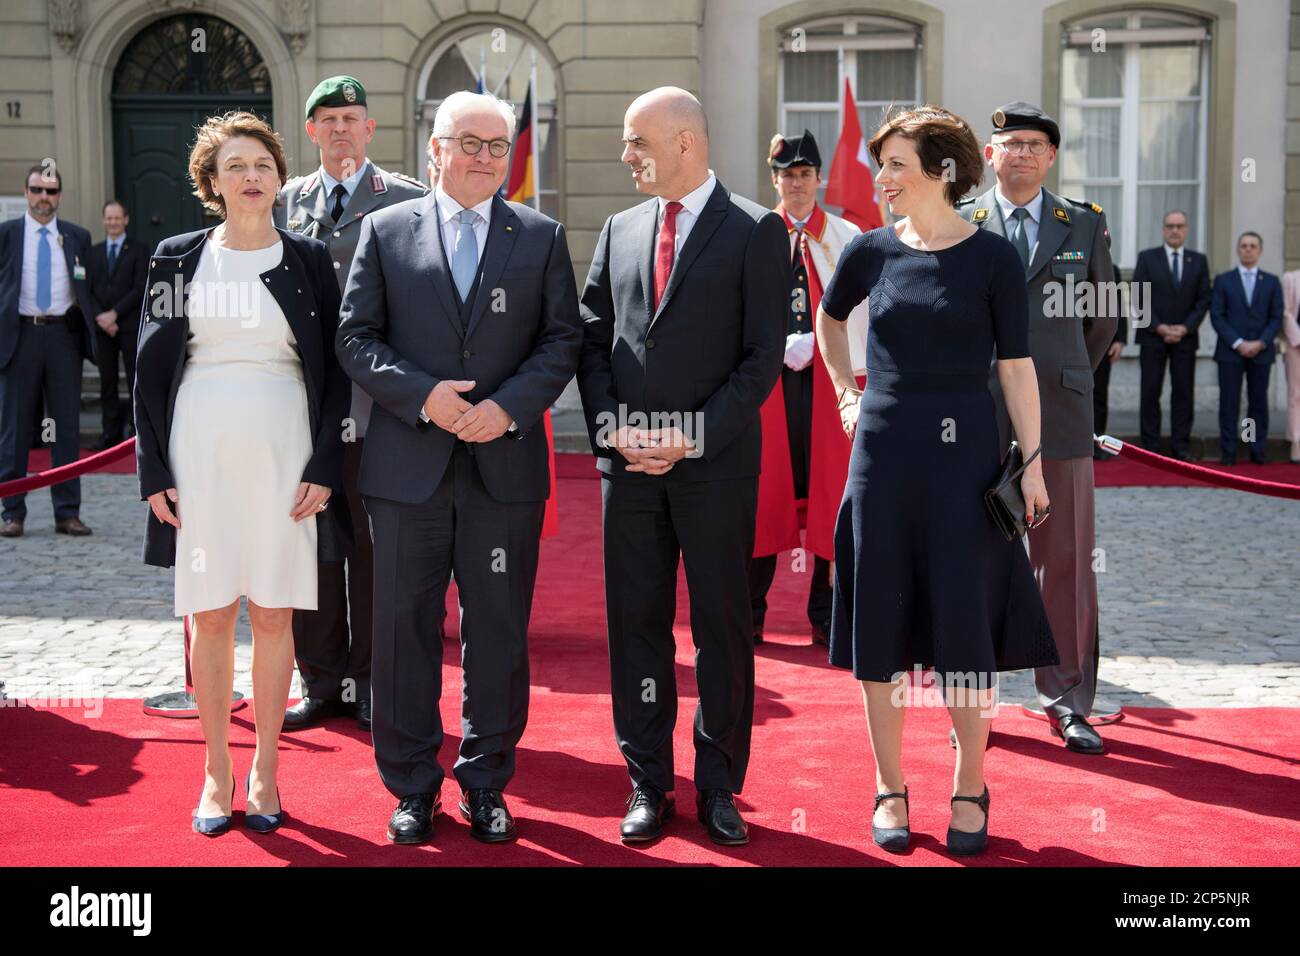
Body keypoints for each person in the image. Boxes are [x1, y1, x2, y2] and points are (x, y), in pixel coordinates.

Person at [336, 90, 581, 846]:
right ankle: (412, 787)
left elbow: (562, 340)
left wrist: (505, 409)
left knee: (498, 632)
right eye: (466, 142)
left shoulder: (540, 237)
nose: (482, 156)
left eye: (495, 145)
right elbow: (356, 336)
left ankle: (485, 782)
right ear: (433, 149)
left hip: (503, 467)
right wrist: (425, 399)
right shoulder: (384, 231)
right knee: (403, 632)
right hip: (407, 470)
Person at [817, 104, 1056, 857]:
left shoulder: (990, 259)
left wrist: (1034, 461)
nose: (879, 176)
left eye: (893, 163)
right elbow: (829, 321)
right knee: (879, 626)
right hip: (882, 456)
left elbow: (1016, 367)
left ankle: (969, 784)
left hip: (965, 461)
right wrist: (847, 394)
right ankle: (889, 785)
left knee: (964, 624)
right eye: (880, 162)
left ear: (941, 171)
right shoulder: (870, 251)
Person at [577, 87, 788, 846]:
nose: (626, 155)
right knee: (636, 628)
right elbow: (593, 339)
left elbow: (763, 359)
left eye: (637, 141)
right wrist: (612, 429)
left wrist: (691, 435)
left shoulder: (758, 231)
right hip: (628, 468)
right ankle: (647, 783)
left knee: (721, 631)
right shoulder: (619, 227)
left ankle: (720, 784)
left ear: (686, 142)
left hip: (716, 468)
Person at [134, 111, 352, 835]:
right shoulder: (175, 257)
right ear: (212, 182)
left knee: (275, 612)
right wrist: (152, 470)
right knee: (211, 614)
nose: (251, 177)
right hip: (200, 452)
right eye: (236, 166)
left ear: (279, 176)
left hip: (284, 449)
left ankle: (265, 769)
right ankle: (215, 768)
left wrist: (325, 460)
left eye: (262, 164)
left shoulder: (311, 260)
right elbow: (148, 368)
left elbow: (334, 371)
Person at [958, 102, 1117, 755]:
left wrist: (1063, 367)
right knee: (971, 559)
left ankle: (1067, 699)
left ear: (1051, 156)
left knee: (1066, 562)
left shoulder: (1083, 223)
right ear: (991, 154)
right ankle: (973, 702)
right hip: (974, 415)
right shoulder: (962, 220)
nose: (1019, 153)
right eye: (1008, 143)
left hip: (1060, 410)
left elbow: (1103, 319)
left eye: (1033, 144)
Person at [276, 75, 428, 734]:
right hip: (301, 409)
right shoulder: (281, 204)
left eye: (351, 118)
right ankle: (320, 678)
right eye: (327, 119)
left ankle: (370, 679)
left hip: (377, 406)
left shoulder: (406, 200)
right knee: (309, 539)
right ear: (310, 132)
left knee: (373, 549)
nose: (340, 129)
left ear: (371, 130)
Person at [750, 129, 869, 646]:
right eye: (786, 174)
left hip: (829, 383)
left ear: (819, 178)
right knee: (761, 493)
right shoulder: (752, 233)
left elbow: (865, 310)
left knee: (830, 493)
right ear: (773, 179)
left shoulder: (848, 237)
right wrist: (776, 344)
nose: (796, 183)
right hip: (765, 385)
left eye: (804, 174)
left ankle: (826, 614)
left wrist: (823, 350)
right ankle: (750, 612)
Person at [0, 164, 99, 538]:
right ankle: (13, 512)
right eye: (37, 190)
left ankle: (66, 512)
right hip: (19, 337)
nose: (44, 198)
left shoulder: (76, 236)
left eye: (51, 191)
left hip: (61, 339)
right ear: (26, 192)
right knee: (15, 430)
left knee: (63, 429)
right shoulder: (7, 235)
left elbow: (87, 287)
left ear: (59, 195)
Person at [1130, 211, 1212, 460]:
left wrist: (1186, 327)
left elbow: (1204, 298)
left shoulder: (1198, 261)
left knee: (1183, 392)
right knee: (1150, 391)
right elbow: (1137, 297)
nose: (1175, 230)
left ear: (1186, 229)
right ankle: (1150, 446)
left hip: (1185, 339)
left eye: (1179, 226)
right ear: (1163, 230)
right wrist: (1159, 327)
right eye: (1170, 226)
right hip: (1153, 337)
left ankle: (1181, 446)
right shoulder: (1147, 258)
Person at [1210, 232, 1282, 464]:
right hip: (1231, 352)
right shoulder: (1224, 280)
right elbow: (1217, 316)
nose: (1248, 250)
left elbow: (1276, 316)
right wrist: (1239, 343)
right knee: (1229, 403)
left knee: (1257, 403)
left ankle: (1254, 446)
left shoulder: (1271, 282)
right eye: (1244, 246)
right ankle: (1229, 450)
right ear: (1238, 250)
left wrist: (1261, 342)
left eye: (1252, 246)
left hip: (1261, 353)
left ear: (1260, 251)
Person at [88, 199, 148, 451]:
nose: (112, 222)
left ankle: (136, 434)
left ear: (126, 220)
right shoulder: (93, 251)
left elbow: (139, 288)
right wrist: (102, 316)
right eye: (108, 218)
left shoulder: (139, 249)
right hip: (103, 328)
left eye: (117, 218)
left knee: (136, 380)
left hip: (129, 325)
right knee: (107, 382)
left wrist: (114, 314)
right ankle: (109, 434)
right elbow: (86, 290)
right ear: (104, 220)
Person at [1091, 262, 1125, 461]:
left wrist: (1119, 339)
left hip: (1102, 343)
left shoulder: (1112, 269)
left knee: (1099, 395)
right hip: (1070, 342)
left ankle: (1097, 443)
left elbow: (1118, 306)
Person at [1281, 268, 1300, 463]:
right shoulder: (1291, 278)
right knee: (1296, 394)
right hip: (1297, 345)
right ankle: (1296, 440)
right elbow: (1285, 312)